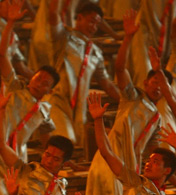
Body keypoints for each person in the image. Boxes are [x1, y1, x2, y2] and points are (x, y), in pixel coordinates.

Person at [83, 13, 167, 195]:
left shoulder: (157, 119)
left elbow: (154, 152)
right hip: (108, 158)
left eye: (162, 85)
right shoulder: (132, 96)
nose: (157, 87)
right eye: (154, 82)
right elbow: (120, 68)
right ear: (146, 83)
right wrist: (127, 38)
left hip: (127, 167)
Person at [0, 0, 57, 195]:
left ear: (49, 90)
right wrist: (10, 23)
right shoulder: (15, 88)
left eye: (45, 83)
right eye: (38, 78)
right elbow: (2, 55)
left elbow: (46, 136)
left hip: (15, 157)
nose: (40, 83)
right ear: (31, 78)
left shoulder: (44, 110)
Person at [46, 2, 120, 152]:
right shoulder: (64, 37)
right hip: (57, 101)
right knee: (64, 142)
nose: (94, 27)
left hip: (79, 108)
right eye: (91, 21)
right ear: (79, 18)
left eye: (97, 24)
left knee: (75, 149)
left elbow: (106, 84)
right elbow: (53, 16)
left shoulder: (95, 52)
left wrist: (126, 101)